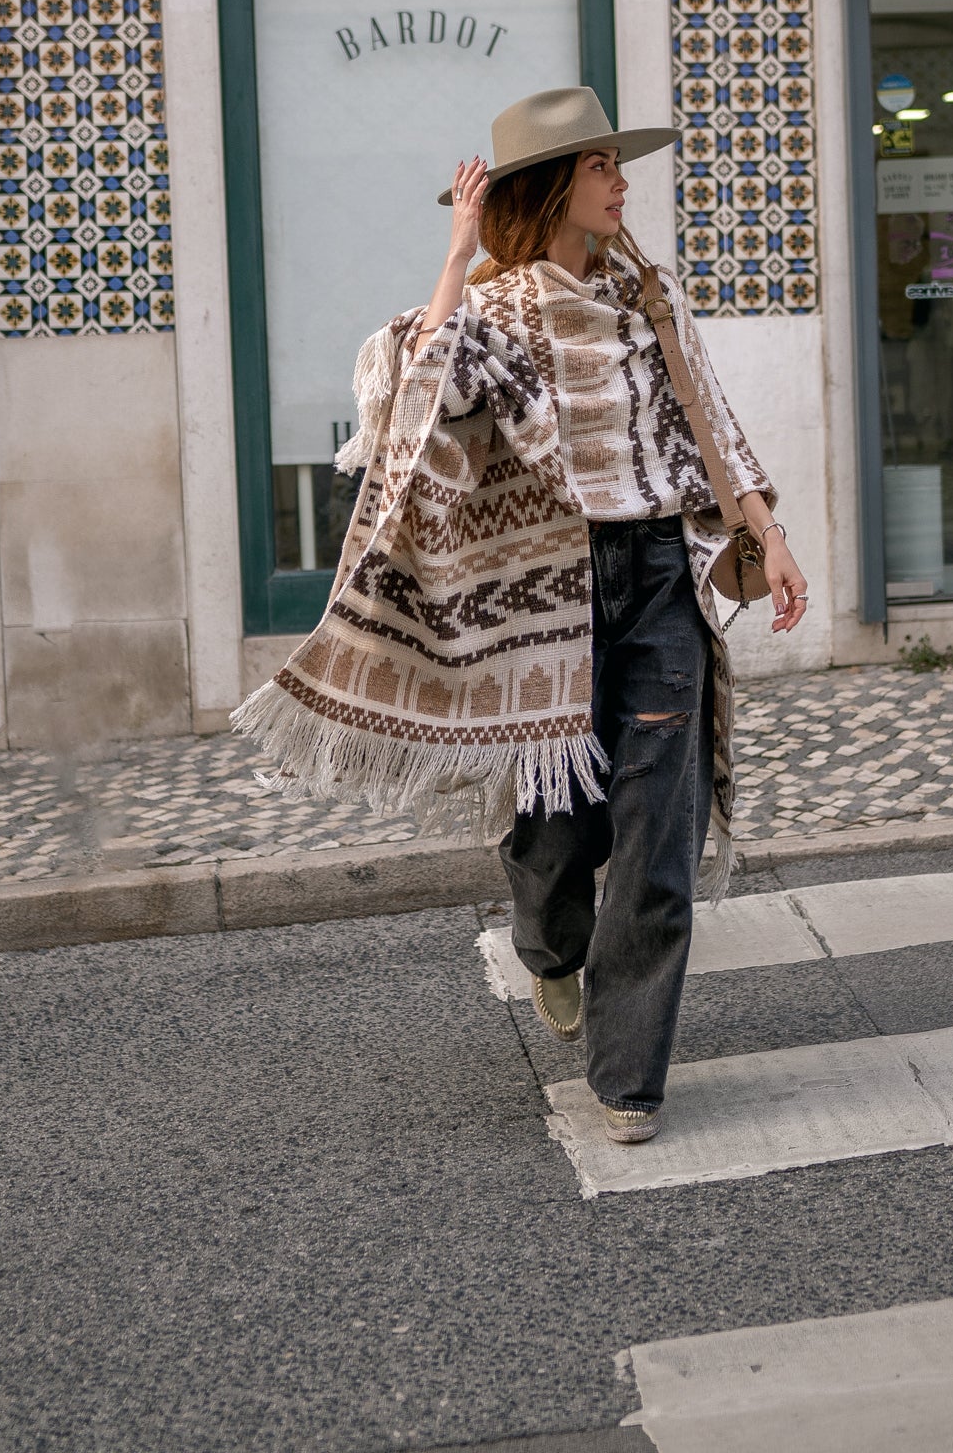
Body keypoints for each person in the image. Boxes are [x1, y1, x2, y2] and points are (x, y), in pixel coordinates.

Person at [234, 87, 807, 1145]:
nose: (621, 182)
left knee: (657, 831)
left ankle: (628, 1075)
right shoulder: (496, 317)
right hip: (554, 591)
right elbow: (422, 391)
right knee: (556, 823)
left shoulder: (650, 301)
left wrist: (763, 532)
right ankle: (550, 945)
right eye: (601, 167)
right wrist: (459, 250)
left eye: (616, 166)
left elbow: (709, 421)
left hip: (660, 581)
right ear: (555, 188)